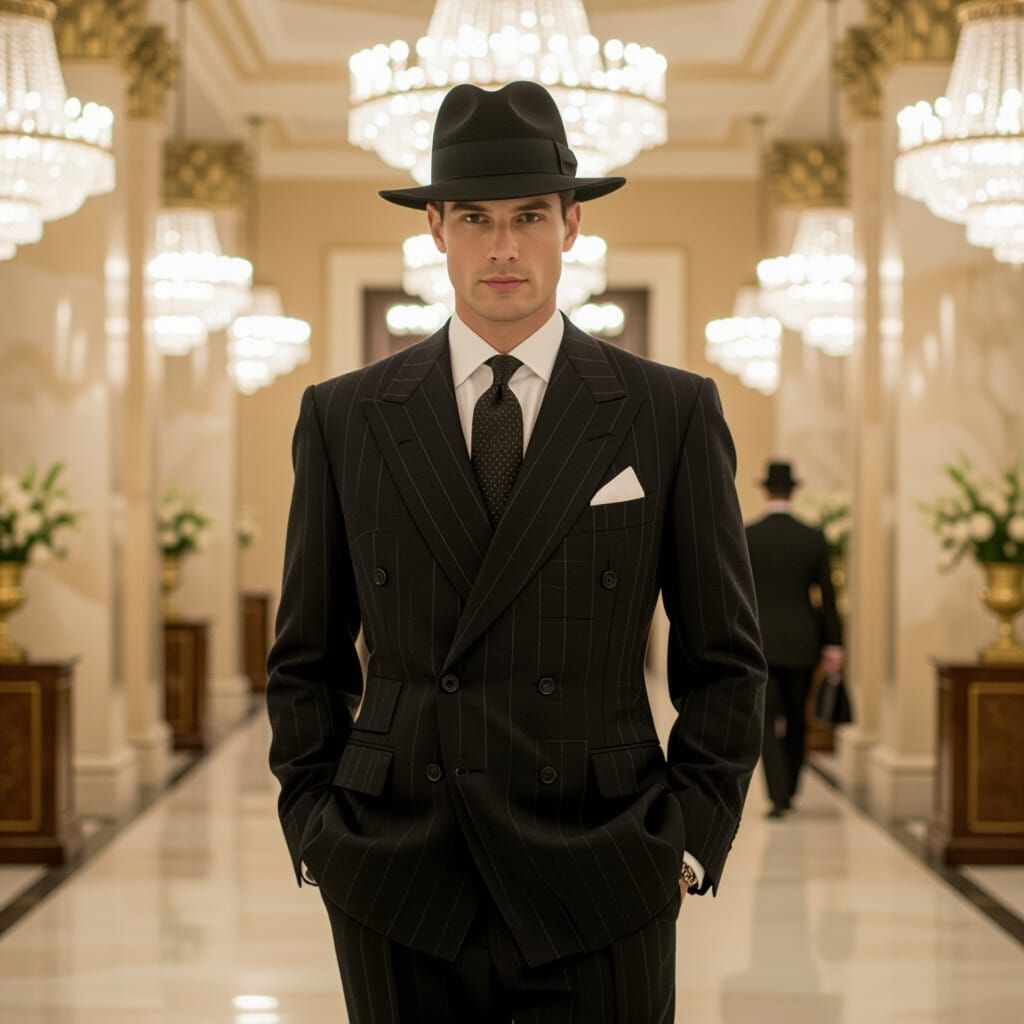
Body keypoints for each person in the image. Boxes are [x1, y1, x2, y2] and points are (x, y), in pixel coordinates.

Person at [266, 79, 767, 1023]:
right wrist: (315, 828)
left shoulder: (668, 410)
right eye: (475, 218)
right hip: (396, 872)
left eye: (529, 215)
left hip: (604, 862)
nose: (503, 246)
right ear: (435, 232)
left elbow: (727, 657)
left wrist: (689, 838)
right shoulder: (345, 416)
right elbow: (306, 654)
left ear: (571, 225)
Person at [744, 460, 843, 818]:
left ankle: (778, 794)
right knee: (799, 717)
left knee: (766, 718)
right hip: (804, 640)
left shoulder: (748, 535)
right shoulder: (812, 536)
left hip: (761, 641)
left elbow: (739, 594)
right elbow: (828, 598)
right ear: (794, 492)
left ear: (765, 490)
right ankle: (793, 786)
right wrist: (835, 644)